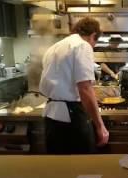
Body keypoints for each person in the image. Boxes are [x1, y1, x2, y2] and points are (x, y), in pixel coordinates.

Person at [39, 17, 109, 154]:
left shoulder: (53, 48)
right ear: (93, 35)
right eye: (95, 42)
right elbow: (85, 89)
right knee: (83, 167)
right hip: (72, 116)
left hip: (51, 116)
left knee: (59, 167)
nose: (93, 47)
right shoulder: (82, 45)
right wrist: (100, 126)